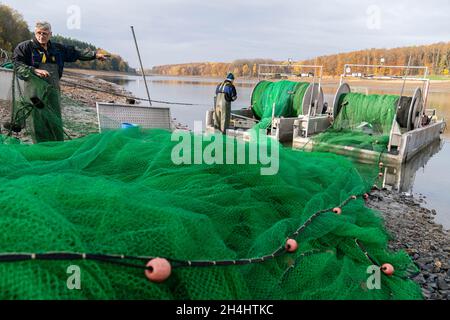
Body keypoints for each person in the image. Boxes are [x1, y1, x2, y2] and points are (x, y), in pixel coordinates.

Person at [12, 21, 108, 142]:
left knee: (54, 119)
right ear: (35, 33)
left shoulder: (57, 49)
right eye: (39, 33)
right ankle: (40, 148)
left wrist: (95, 55)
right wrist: (34, 70)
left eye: (45, 33)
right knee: (37, 120)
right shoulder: (25, 47)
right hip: (34, 92)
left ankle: (57, 146)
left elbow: (76, 52)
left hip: (53, 89)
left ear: (50, 34)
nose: (42, 36)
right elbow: (17, 65)